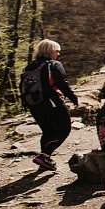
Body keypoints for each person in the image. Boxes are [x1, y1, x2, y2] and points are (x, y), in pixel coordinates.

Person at [23, 39, 79, 172]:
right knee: (64, 129)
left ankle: (44, 162)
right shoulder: (53, 64)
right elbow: (62, 84)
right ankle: (44, 156)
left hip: (34, 104)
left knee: (48, 131)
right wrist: (74, 99)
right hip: (51, 102)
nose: (58, 54)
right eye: (56, 51)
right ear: (50, 51)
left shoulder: (30, 66)